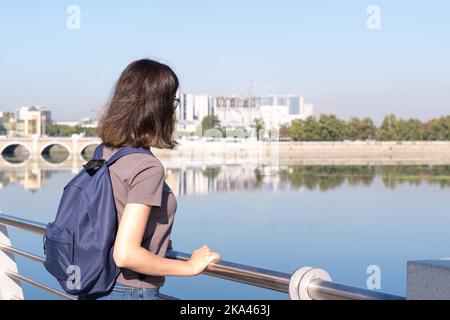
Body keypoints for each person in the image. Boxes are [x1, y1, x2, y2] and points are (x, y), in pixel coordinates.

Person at [78, 59, 221, 300]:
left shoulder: (104, 153)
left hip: (94, 283)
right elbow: (125, 254)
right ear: (158, 107)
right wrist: (190, 266)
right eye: (172, 101)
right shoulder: (147, 166)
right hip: (128, 290)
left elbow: (110, 217)